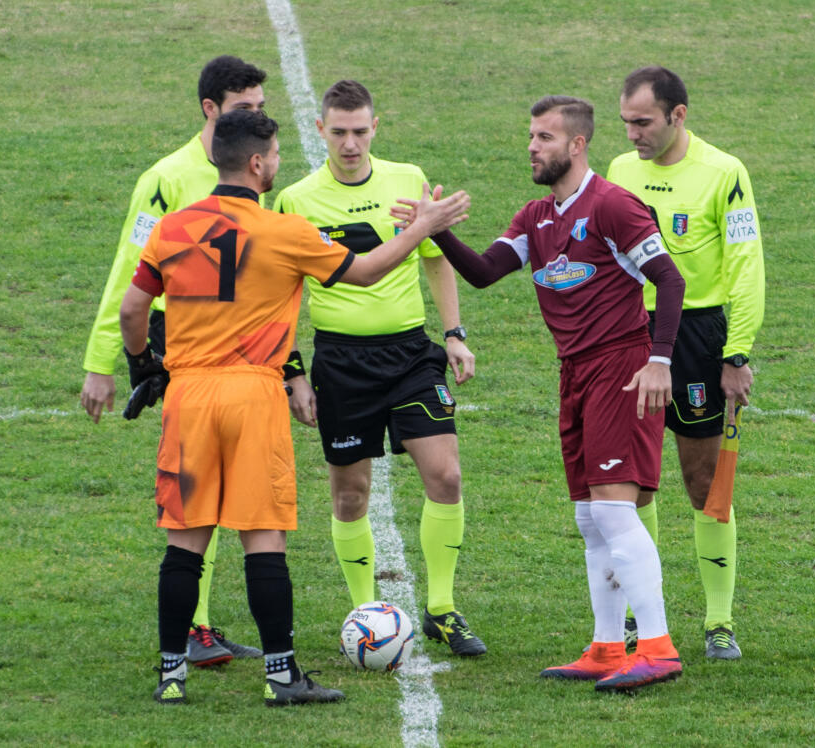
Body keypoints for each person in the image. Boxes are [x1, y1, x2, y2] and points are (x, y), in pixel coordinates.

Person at [121, 109, 470, 705]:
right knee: (264, 539)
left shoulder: (173, 229)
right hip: (253, 395)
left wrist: (144, 366)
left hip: (189, 396)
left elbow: (133, 311)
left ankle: (171, 677)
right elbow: (366, 272)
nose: (280, 163)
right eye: (277, 155)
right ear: (257, 163)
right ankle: (282, 677)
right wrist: (425, 226)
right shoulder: (284, 231)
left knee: (185, 541)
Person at [395, 96, 687, 692]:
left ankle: (658, 647)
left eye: (545, 138)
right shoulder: (536, 217)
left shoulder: (613, 206)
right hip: (574, 373)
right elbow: (483, 272)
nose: (532, 147)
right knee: (589, 516)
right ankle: (607, 647)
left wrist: (659, 361)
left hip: (621, 367)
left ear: (577, 145)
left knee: (613, 510)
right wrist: (435, 230)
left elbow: (670, 279)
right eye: (531, 136)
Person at [272, 80, 486, 656]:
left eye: (360, 131)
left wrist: (453, 334)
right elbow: (281, 292)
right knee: (350, 496)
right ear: (320, 129)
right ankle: (364, 612)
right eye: (339, 132)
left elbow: (436, 258)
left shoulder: (406, 178)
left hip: (411, 355)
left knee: (446, 476)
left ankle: (441, 607)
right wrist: (293, 372)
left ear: (376, 127)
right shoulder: (295, 200)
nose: (350, 143)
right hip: (341, 362)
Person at [80, 55, 268, 666]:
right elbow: (127, 276)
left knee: (217, 485)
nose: (256, 119)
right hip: (180, 344)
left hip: (237, 350)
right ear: (210, 109)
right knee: (194, 489)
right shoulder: (165, 179)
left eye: (261, 109)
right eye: (243, 109)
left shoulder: (256, 168)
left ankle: (199, 626)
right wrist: (102, 362)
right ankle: (193, 628)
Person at [606, 66, 765, 661]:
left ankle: (719, 621)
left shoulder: (724, 173)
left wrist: (736, 352)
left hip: (698, 336)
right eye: (626, 123)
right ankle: (641, 615)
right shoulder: (620, 171)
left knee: (705, 484)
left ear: (679, 115)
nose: (633, 135)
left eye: (643, 122)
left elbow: (746, 265)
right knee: (631, 485)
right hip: (630, 334)